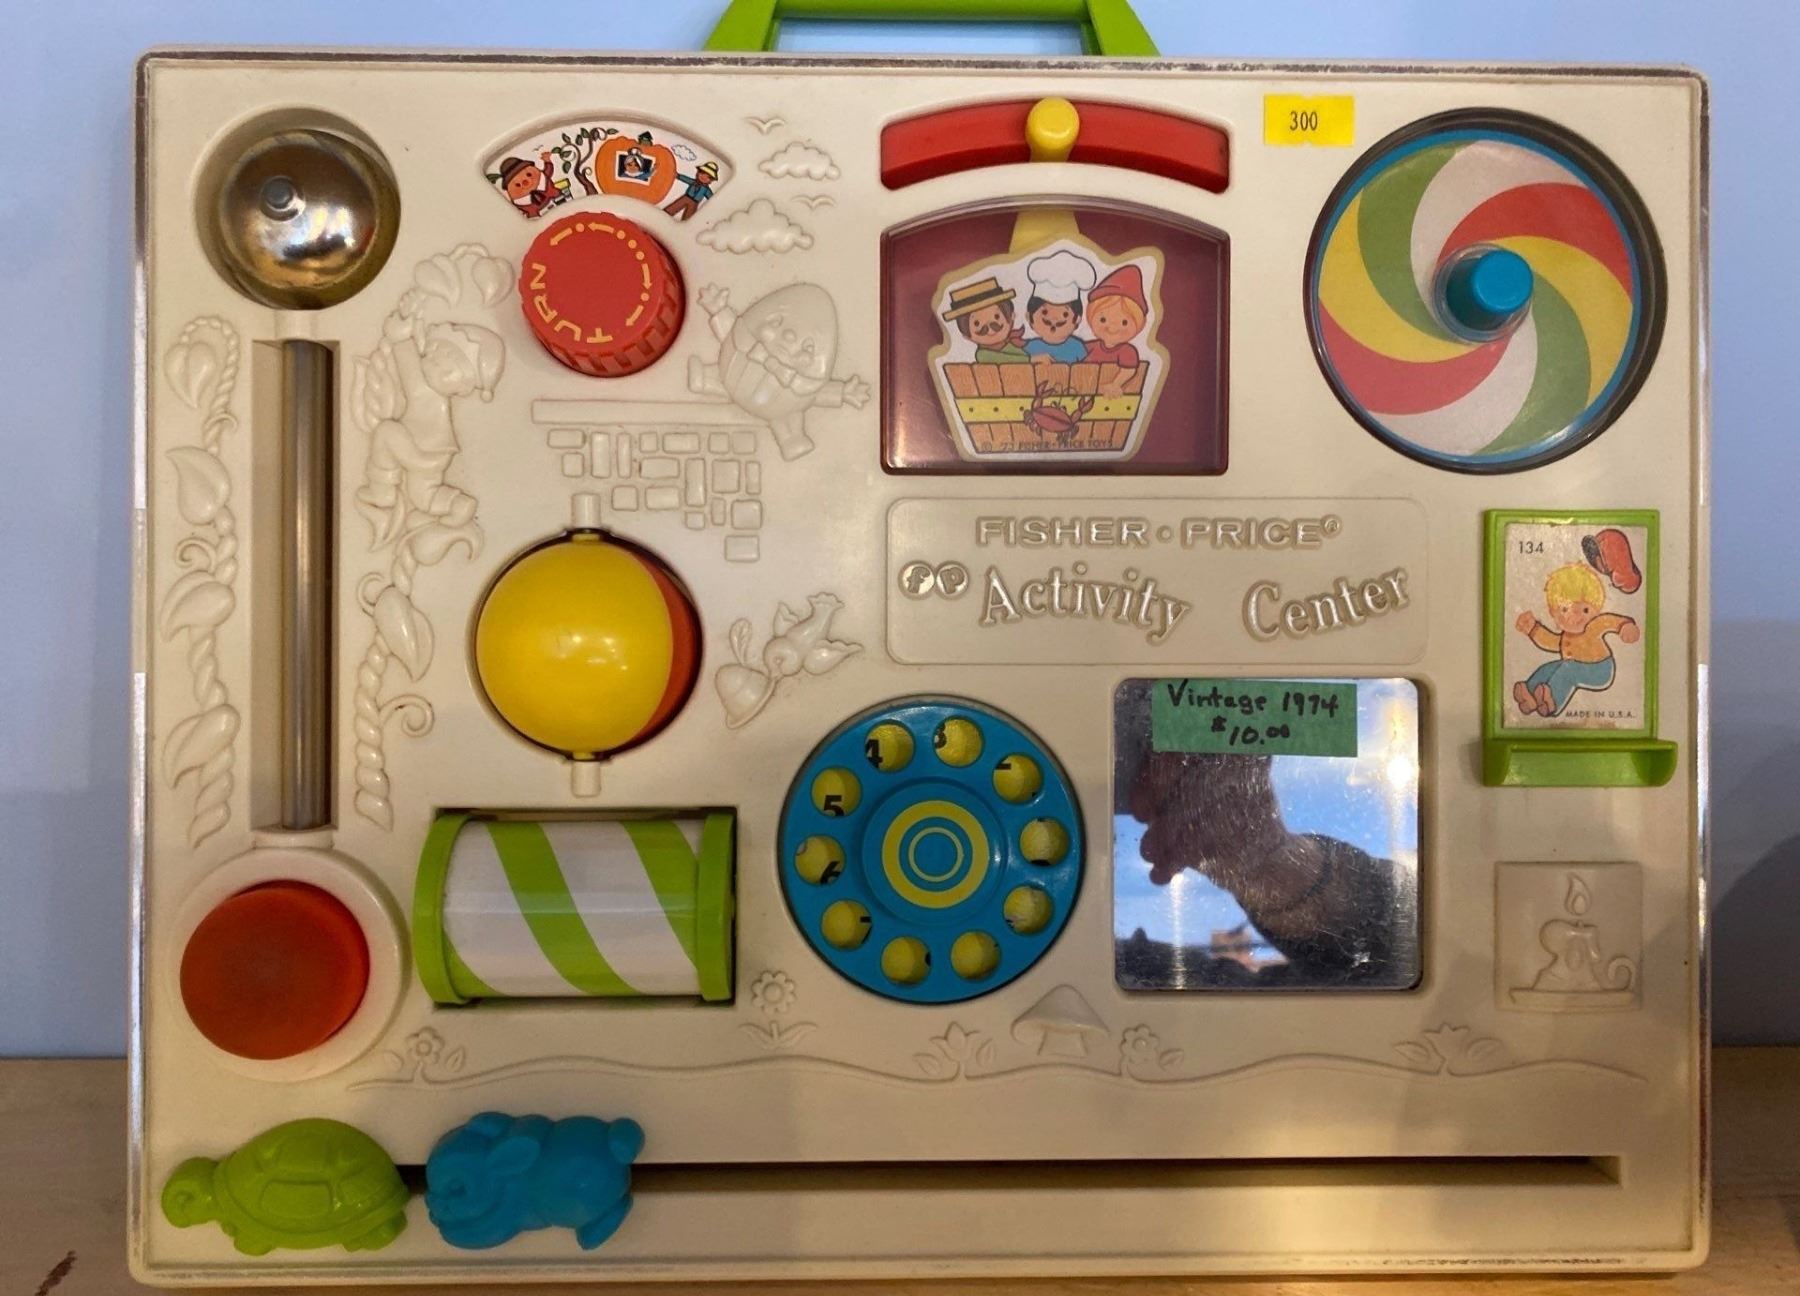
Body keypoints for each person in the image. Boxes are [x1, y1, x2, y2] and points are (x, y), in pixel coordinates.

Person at [1514, 559, 1639, 717]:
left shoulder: (1593, 626)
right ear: (1554, 614)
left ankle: (1552, 702)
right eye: (1565, 609)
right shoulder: (1566, 637)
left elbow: (1610, 621)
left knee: (1567, 671)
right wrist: (1532, 629)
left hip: (1599, 669)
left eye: (1585, 610)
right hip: (1574, 665)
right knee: (1548, 668)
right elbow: (1550, 641)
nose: (1575, 616)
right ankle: (1530, 693)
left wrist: (1625, 626)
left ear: (1596, 610)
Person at [1023, 249, 1096, 363]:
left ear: (1077, 319)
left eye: (1065, 314)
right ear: (1029, 316)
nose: (1054, 319)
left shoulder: (1077, 348)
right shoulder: (1030, 347)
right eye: (1044, 312)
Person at [939, 276, 1029, 363]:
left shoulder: (1012, 345)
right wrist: (1032, 360)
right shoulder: (983, 354)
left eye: (996, 316)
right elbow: (1014, 361)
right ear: (966, 336)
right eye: (977, 323)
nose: (989, 329)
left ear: (1012, 316)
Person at [496, 151, 564, 217]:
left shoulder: (543, 178)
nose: (525, 182)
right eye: (518, 185)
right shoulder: (522, 204)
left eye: (529, 175)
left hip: (557, 199)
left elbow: (548, 170)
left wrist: (547, 160)